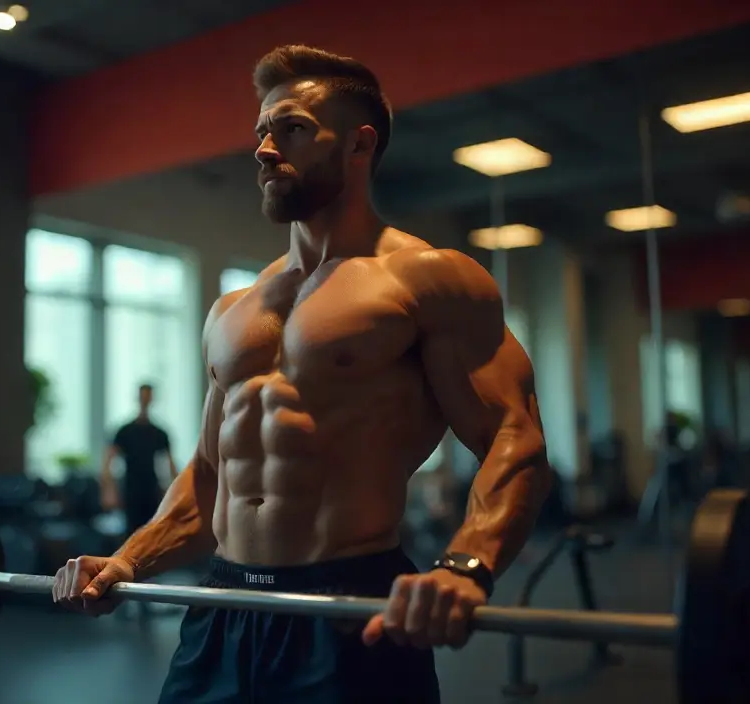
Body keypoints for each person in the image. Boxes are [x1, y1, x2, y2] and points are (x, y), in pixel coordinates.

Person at [52, 45, 552, 703]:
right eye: (261, 132)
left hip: (349, 613)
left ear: (359, 144)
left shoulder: (428, 280)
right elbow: (209, 473)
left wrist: (464, 566)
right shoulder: (234, 309)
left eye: (290, 129)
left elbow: (514, 439)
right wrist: (128, 560)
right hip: (224, 608)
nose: (263, 150)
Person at [100, 383, 178, 534]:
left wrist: (176, 492)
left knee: (152, 532)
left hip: (152, 489)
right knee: (131, 532)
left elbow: (171, 465)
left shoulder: (159, 433)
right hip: (131, 490)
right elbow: (108, 461)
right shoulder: (125, 432)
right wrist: (109, 490)